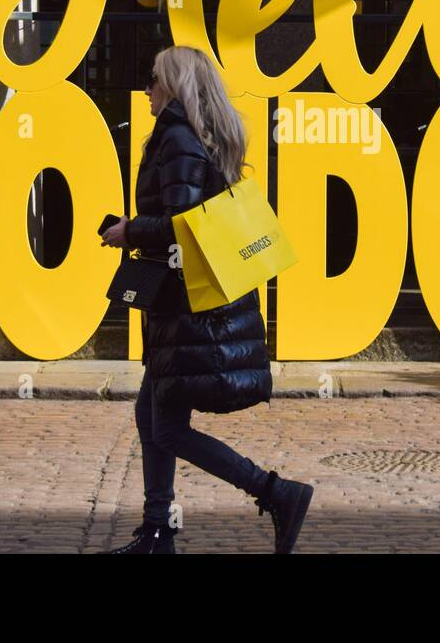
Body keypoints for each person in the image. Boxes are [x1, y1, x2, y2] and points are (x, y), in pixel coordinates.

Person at [99, 45, 314, 554]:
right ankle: (157, 531)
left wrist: (129, 231)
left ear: (172, 84)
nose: (146, 88)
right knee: (151, 417)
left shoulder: (177, 139)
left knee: (167, 428)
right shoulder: (197, 137)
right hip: (180, 305)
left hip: (191, 308)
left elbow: (182, 227)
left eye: (152, 78)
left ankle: (276, 492)